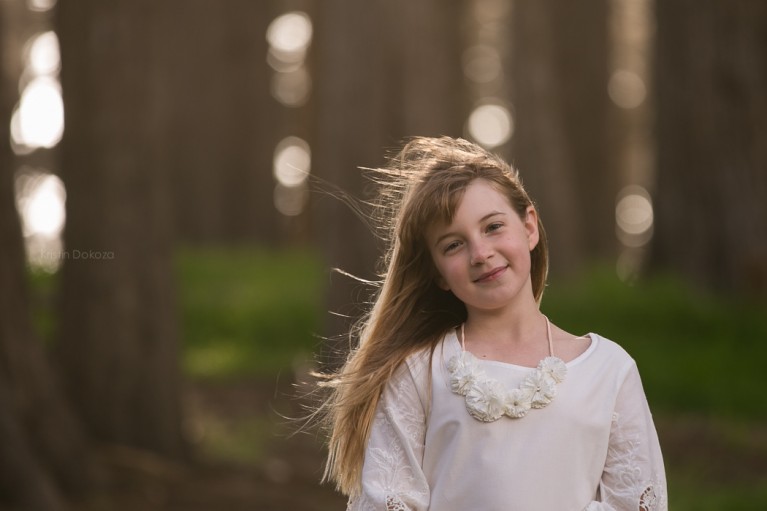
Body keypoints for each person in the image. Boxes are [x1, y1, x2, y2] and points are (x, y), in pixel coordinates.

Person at [314, 136, 667, 510]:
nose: (481, 254)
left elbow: (636, 502)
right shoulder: (421, 372)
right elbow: (388, 499)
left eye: (493, 227)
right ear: (438, 274)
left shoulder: (608, 371)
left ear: (529, 226)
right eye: (453, 245)